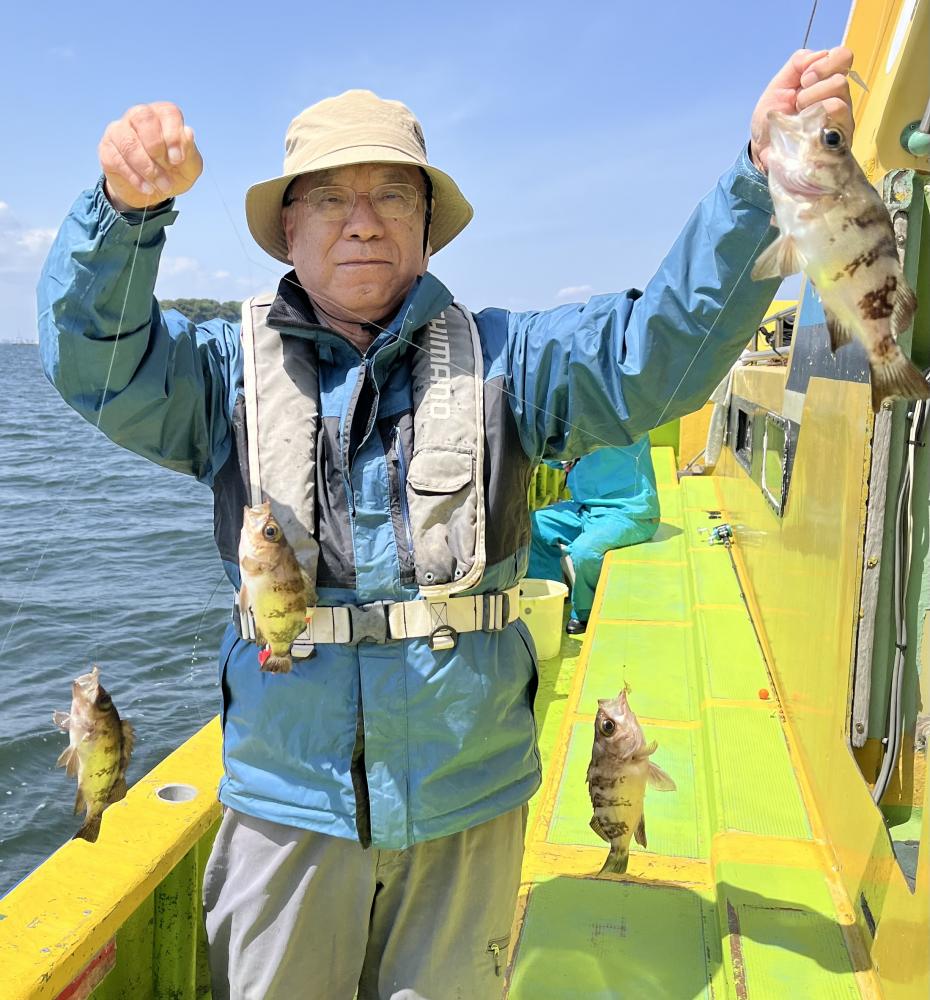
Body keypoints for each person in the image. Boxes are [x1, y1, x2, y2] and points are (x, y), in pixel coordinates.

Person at [37, 48, 855, 1000]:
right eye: (330, 198)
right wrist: (124, 217)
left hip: (472, 802)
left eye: (393, 195)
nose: (363, 220)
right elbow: (92, 360)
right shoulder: (220, 375)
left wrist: (760, 180)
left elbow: (653, 356)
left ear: (428, 228)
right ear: (287, 229)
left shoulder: (513, 359)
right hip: (286, 805)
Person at [529, 438, 660, 635]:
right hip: (584, 506)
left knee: (584, 551)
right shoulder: (579, 426)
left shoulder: (628, 423)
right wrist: (558, 454)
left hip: (628, 511)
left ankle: (585, 612)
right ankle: (553, 596)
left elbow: (596, 440)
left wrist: (571, 447)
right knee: (534, 526)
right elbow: (557, 460)